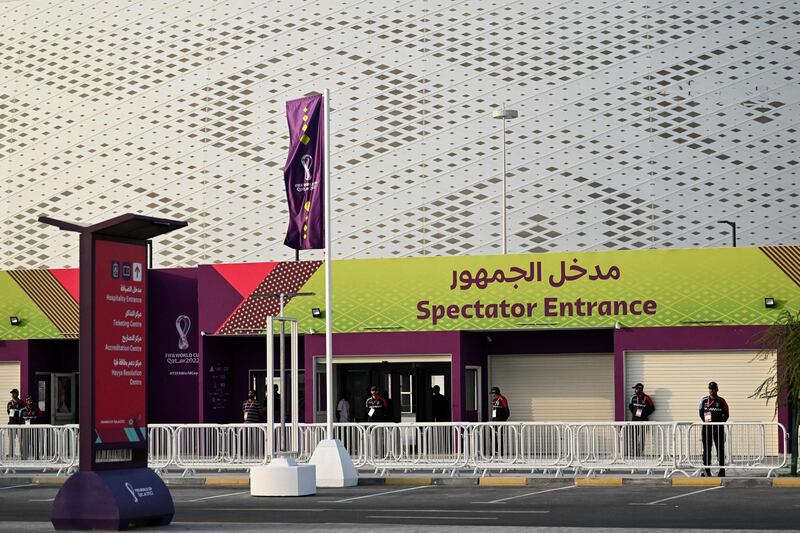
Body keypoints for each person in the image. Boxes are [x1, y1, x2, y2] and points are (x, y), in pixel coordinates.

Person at [699, 381, 729, 477]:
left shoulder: (721, 401)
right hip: (707, 429)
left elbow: (726, 414)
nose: (711, 391)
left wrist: (720, 423)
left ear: (717, 390)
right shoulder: (704, 400)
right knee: (707, 449)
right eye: (710, 389)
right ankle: (706, 470)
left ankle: (722, 470)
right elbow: (701, 413)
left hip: (718, 429)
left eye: (713, 389)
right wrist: (707, 421)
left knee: (720, 449)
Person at [628, 383, 655, 457]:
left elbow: (652, 408)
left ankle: (641, 452)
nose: (635, 390)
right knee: (634, 437)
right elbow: (630, 407)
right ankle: (634, 453)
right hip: (634, 421)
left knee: (642, 437)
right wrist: (636, 414)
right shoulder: (633, 398)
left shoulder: (647, 398)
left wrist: (644, 413)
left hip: (644, 421)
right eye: (635, 389)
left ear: (640, 389)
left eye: (636, 389)